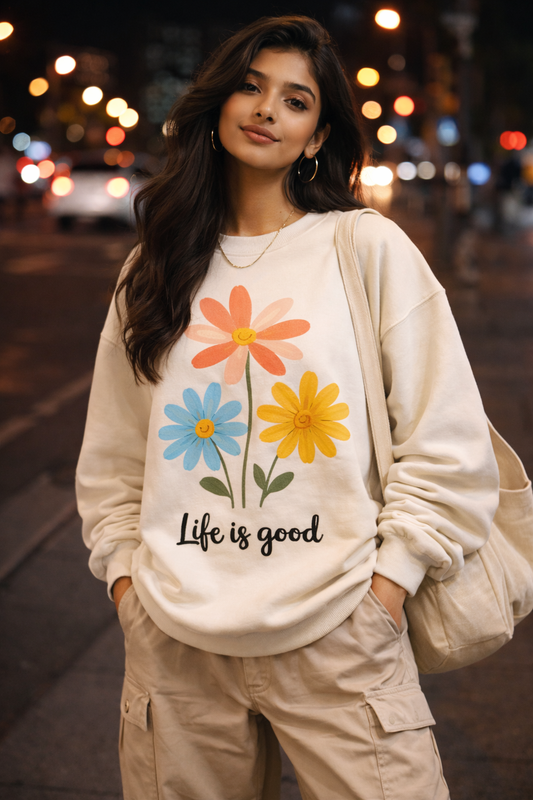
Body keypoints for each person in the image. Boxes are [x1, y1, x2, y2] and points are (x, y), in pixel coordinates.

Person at [76, 15, 499, 800]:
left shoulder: (363, 249)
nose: (267, 108)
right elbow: (111, 459)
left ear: (315, 137)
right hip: (175, 642)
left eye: (295, 100)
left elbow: (446, 441)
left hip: (340, 633)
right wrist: (130, 589)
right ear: (217, 106)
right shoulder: (154, 268)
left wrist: (386, 590)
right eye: (249, 86)